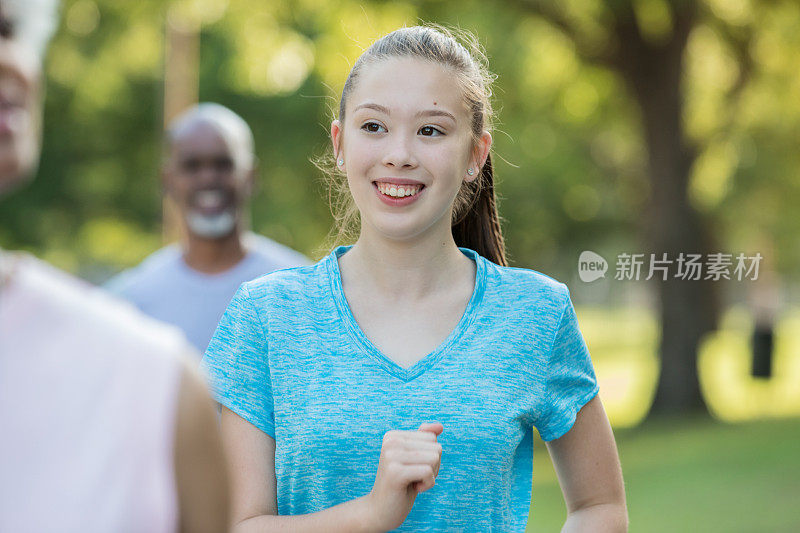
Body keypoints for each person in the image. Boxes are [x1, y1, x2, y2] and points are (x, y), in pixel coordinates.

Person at [202, 25, 627, 532]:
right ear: (340, 143)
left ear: (475, 155)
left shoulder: (536, 313)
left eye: (431, 131)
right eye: (374, 127)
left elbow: (600, 507)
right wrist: (371, 513)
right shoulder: (266, 315)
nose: (399, 153)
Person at [0, 1, 228, 531]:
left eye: (8, 28)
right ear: (167, 180)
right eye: (192, 166)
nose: (7, 56)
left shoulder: (150, 385)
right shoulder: (134, 293)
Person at [107, 103, 310, 354]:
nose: (208, 178)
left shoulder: (301, 289)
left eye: (223, 164)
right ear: (167, 180)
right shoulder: (134, 301)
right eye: (192, 166)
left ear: (250, 176)